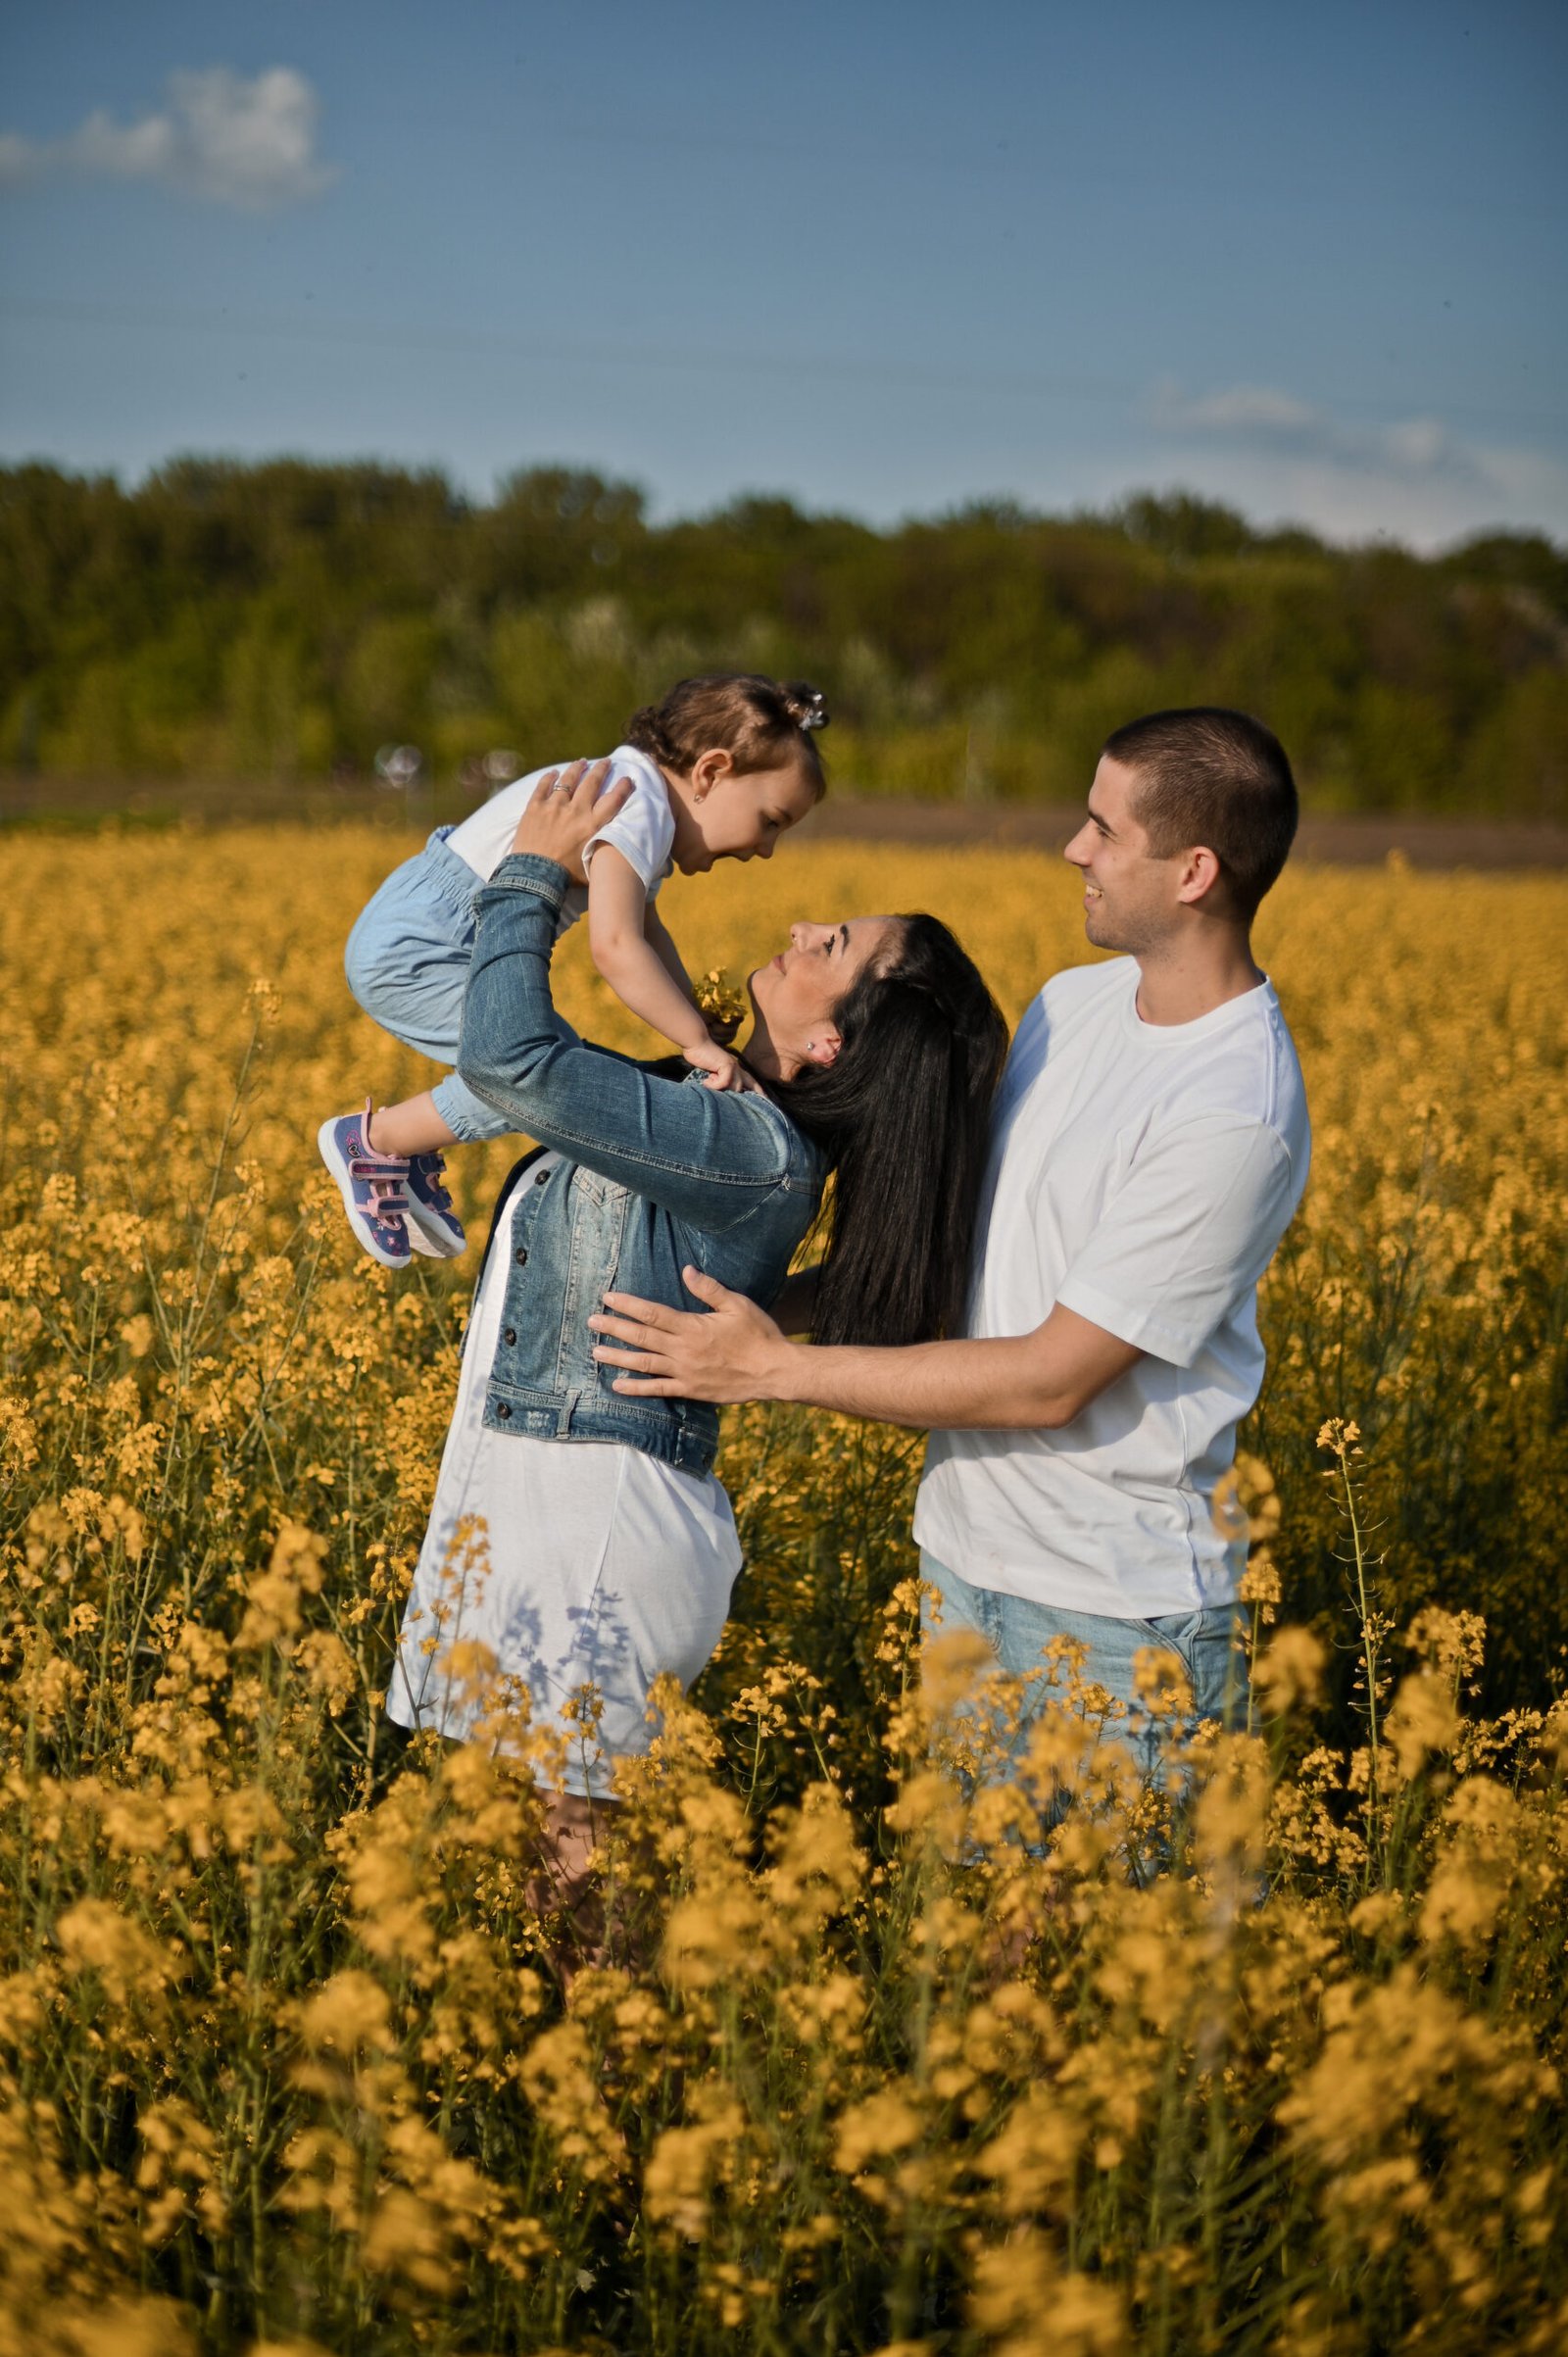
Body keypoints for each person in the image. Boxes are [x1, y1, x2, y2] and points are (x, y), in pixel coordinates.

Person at [588, 708, 1311, 1778]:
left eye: (1104, 831)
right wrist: (722, 1302)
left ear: (1194, 869)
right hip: (966, 1567)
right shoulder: (1076, 1005)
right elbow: (949, 1260)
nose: (1074, 847)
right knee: (986, 1942)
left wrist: (773, 1370)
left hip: (1117, 1617)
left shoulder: (1231, 1106)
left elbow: (1050, 1379)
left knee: (1121, 1947)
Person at [385, 758, 1009, 1932]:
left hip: (597, 1534)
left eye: (832, 947)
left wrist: (531, 871)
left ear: (831, 1045)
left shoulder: (751, 1147)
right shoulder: (730, 1117)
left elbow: (510, 1064)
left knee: (583, 1888)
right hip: (550, 1506)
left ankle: (617, 2103)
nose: (800, 923)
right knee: (546, 1868)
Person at [318, 673, 830, 1269]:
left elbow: (646, 930)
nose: (765, 850)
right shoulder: (636, 803)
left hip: (428, 926)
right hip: (430, 942)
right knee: (541, 1078)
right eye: (770, 821)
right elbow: (615, 946)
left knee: (552, 1071)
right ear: (710, 773)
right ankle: (375, 1143)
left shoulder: (636, 792)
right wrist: (695, 1045)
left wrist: (692, 1017)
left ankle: (402, 1146)